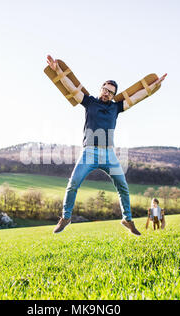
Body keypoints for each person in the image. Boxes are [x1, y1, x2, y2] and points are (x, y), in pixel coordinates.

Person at [47, 55, 166, 236]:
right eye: (105, 89)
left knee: (123, 187)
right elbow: (71, 88)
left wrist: (152, 87)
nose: (106, 93)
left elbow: (137, 97)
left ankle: (127, 220)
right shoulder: (89, 102)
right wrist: (58, 71)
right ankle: (66, 217)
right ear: (101, 89)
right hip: (89, 153)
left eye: (110, 92)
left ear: (113, 95)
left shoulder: (116, 107)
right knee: (73, 184)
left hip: (109, 155)